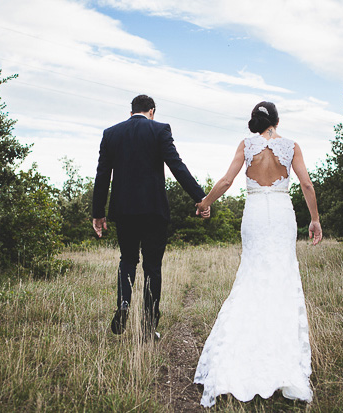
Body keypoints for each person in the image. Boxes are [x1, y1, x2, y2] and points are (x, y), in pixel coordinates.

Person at [193, 101, 322, 407]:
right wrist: (315, 219)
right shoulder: (291, 146)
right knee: (281, 277)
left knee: (250, 277)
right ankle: (280, 359)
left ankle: (236, 355)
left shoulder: (246, 145)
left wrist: (204, 202)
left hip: (254, 214)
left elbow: (226, 181)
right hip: (280, 215)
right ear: (277, 120)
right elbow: (305, 183)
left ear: (255, 121)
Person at [92, 94, 210, 340]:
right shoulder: (159, 130)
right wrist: (200, 198)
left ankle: (124, 302)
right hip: (154, 211)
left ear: (131, 111)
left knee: (127, 260)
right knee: (152, 267)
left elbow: (102, 175)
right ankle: (148, 326)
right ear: (152, 111)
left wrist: (98, 213)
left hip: (123, 211)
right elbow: (177, 166)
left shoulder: (111, 134)